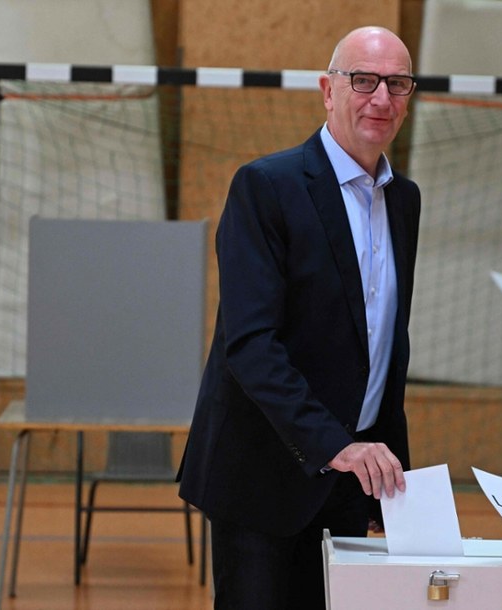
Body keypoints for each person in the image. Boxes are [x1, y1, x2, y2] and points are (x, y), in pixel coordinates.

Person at [177, 26, 420, 610]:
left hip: (349, 480)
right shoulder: (267, 186)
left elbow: (384, 345)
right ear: (327, 90)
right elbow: (252, 346)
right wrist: (337, 445)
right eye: (363, 80)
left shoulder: (405, 199)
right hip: (264, 477)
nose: (381, 98)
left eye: (397, 83)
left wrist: (391, 479)